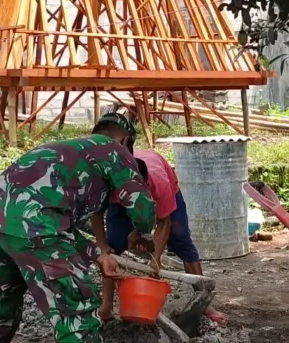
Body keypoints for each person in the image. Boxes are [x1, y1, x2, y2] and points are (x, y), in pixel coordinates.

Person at [0, 113, 156, 343]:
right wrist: (143, 232)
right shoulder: (114, 150)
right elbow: (140, 202)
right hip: (37, 228)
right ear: (126, 140)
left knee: (1, 298)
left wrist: (99, 255)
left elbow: (58, 222)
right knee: (76, 309)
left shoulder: (65, 151)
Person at [90, 115, 227, 325]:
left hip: (166, 184)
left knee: (181, 238)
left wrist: (156, 260)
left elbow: (164, 222)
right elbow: (97, 212)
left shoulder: (159, 183)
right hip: (119, 199)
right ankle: (106, 306)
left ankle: (205, 302)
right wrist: (102, 246)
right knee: (113, 245)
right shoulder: (108, 180)